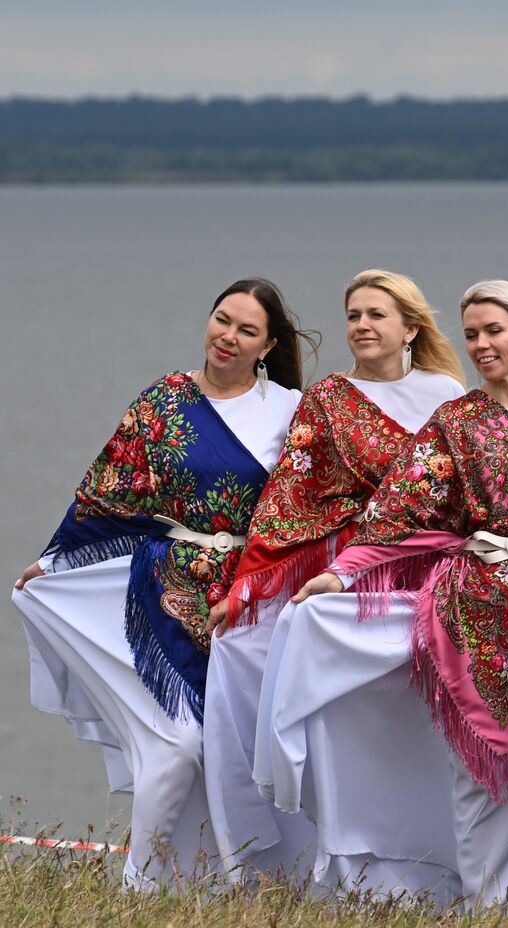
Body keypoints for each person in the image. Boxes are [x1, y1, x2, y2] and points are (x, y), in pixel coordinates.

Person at [256, 279, 508, 906]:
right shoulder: (457, 419)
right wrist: (345, 573)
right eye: (472, 334)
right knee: (474, 776)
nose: (481, 344)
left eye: (494, 330)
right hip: (471, 608)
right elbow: (401, 510)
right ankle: (484, 909)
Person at [12, 279, 310, 889]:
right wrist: (55, 560)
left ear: (268, 344)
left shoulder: (287, 409)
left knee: (233, 757)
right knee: (175, 748)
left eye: (246, 330)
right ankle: (140, 891)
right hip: (161, 594)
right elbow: (106, 490)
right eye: (222, 319)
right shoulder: (164, 400)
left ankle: (226, 887)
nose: (227, 336)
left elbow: (303, 510)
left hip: (246, 609)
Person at [202, 270, 465, 883]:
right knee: (299, 693)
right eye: (354, 315)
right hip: (347, 577)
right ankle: (324, 865)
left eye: (377, 314)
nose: (363, 326)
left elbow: (462, 488)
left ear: (410, 328)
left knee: (417, 729)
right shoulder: (327, 397)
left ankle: (434, 871)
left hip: (426, 575)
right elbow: (289, 497)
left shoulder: (447, 393)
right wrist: (245, 585)